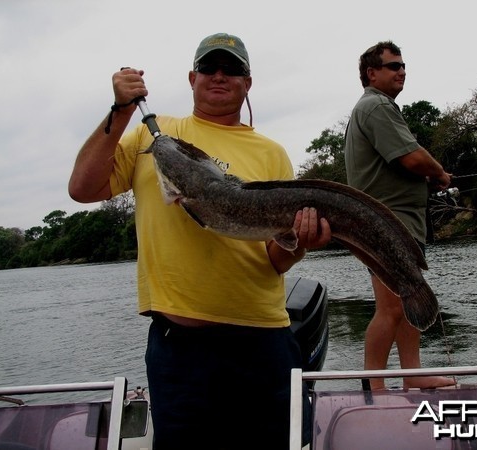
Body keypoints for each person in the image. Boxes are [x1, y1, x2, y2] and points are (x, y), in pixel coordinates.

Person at [68, 33, 331, 449]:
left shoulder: (271, 153)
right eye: (209, 68)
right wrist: (120, 113)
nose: (219, 76)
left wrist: (298, 241)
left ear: (248, 82)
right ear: (192, 78)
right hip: (179, 350)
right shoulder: (153, 137)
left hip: (261, 342)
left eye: (232, 69)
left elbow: (274, 260)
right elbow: (82, 189)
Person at [344, 41, 456, 390]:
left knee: (409, 297)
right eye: (393, 66)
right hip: (385, 225)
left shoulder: (377, 107)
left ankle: (413, 375)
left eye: (403, 65)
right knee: (391, 308)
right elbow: (412, 158)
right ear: (371, 73)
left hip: (397, 223)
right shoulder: (376, 106)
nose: (401, 70)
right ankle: (373, 386)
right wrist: (438, 174)